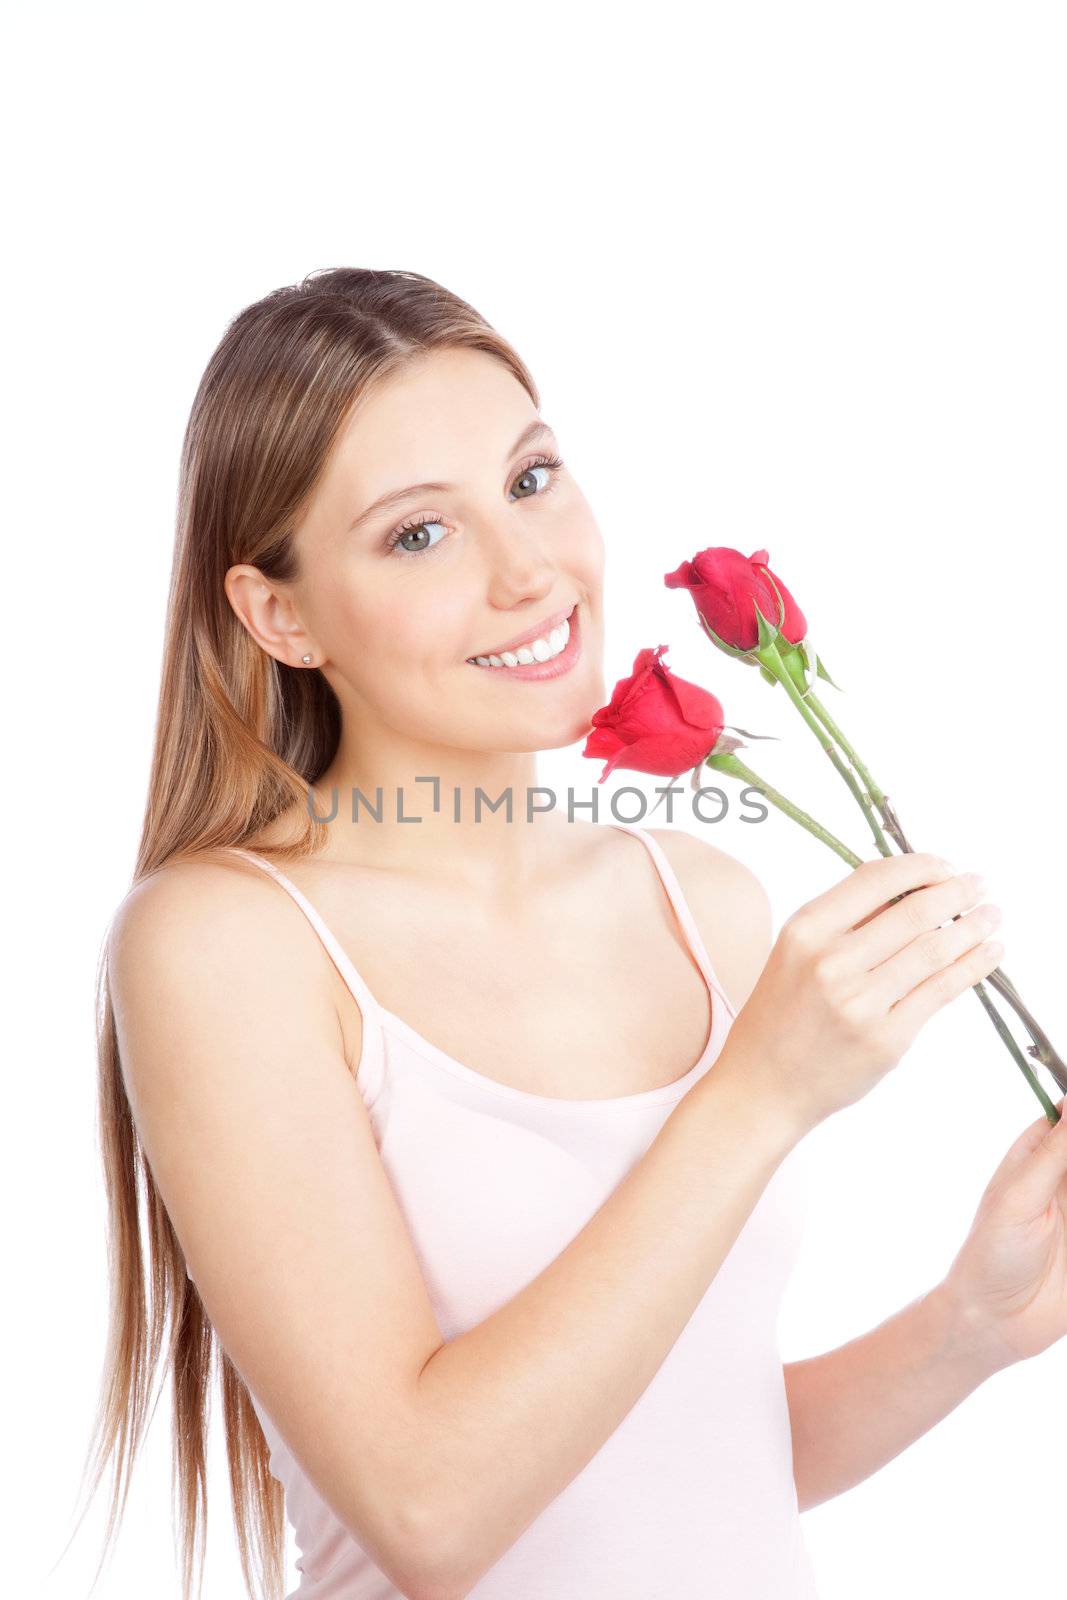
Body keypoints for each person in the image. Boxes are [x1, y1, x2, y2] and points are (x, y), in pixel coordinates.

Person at [85, 267, 1007, 1600]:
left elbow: (689, 1465)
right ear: (278, 613)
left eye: (530, 481)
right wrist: (757, 1097)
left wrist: (976, 1321)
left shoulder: (704, 905)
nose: (529, 571)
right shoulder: (227, 946)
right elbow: (432, 1510)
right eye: (419, 534)